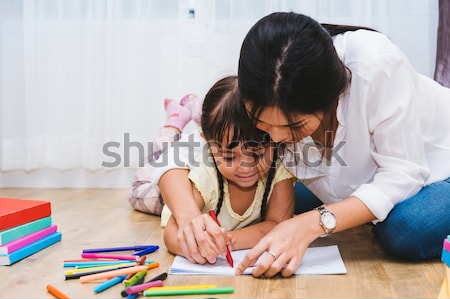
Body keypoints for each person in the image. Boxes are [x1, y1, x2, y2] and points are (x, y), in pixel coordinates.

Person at [156, 11, 450, 277]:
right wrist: (189, 218)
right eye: (263, 125)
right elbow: (178, 156)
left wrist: (313, 223)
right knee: (271, 200)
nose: (277, 138)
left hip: (436, 168)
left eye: (293, 126)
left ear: (331, 98)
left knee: (407, 229)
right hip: (352, 183)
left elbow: (403, 175)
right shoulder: (265, 82)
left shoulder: (375, 65)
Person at [129, 75, 296, 263]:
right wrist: (192, 244)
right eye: (230, 157)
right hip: (171, 184)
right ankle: (173, 122)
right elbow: (172, 233)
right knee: (139, 190)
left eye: (257, 154)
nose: (246, 166)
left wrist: (226, 242)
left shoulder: (280, 169)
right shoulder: (205, 174)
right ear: (208, 145)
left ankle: (194, 108)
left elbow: (279, 224)